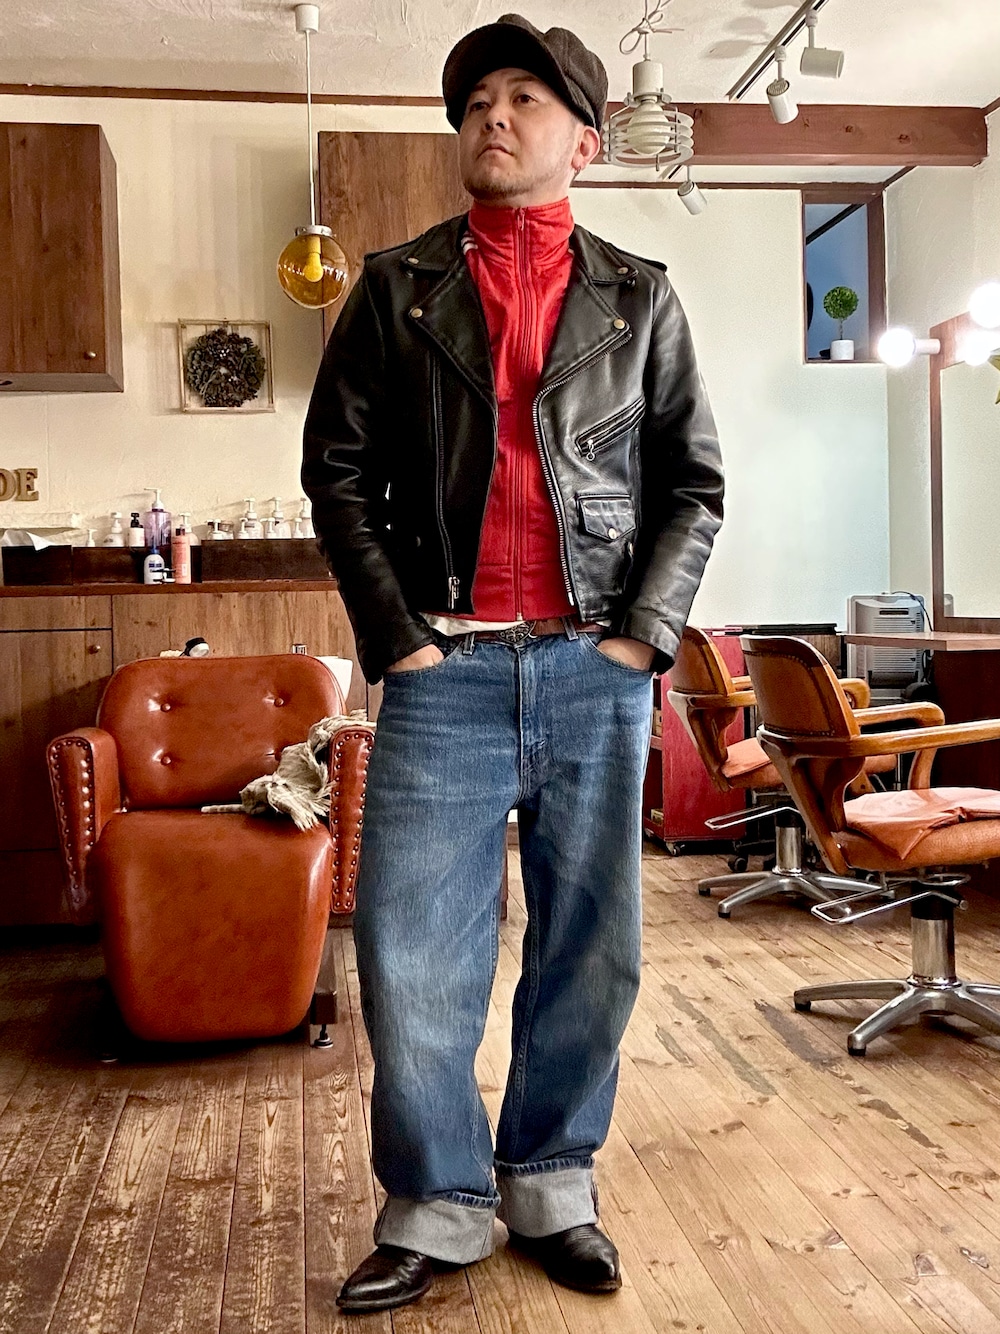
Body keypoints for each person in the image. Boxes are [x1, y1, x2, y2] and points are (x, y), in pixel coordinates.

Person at [301, 13, 724, 1315]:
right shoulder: (395, 287)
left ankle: (550, 1182)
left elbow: (693, 485)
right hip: (448, 672)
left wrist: (640, 636)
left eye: (526, 97)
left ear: (585, 142)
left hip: (596, 671)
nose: (494, 114)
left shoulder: (641, 297)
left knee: (592, 947)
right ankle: (436, 1204)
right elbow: (337, 476)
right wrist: (401, 641)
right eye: (477, 98)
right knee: (413, 953)